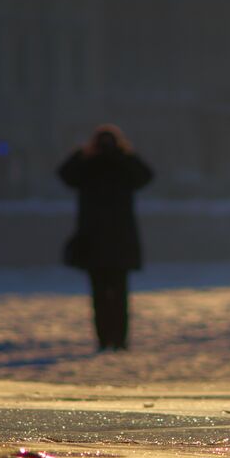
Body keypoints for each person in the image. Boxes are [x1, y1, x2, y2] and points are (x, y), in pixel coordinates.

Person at [58, 125, 153, 351]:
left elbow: (146, 175)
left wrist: (86, 153)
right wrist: (122, 154)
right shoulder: (99, 166)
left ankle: (111, 340)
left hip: (99, 241)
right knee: (114, 296)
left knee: (104, 296)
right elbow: (65, 174)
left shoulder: (99, 166)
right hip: (112, 242)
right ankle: (114, 340)